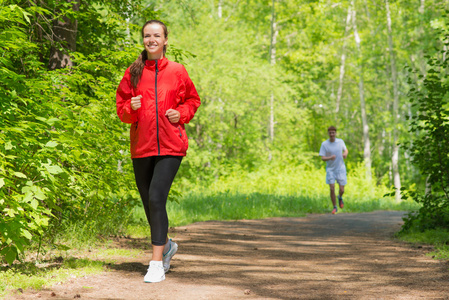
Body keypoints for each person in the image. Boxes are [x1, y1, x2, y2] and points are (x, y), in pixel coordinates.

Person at [116, 20, 200, 283]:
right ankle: (167, 245)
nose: (151, 39)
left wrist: (181, 113)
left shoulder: (177, 71)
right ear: (143, 40)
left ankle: (155, 263)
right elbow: (122, 111)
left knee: (156, 198)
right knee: (148, 204)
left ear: (165, 40)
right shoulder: (133, 72)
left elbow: (193, 100)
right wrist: (131, 105)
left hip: (171, 145)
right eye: (146, 35)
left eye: (156, 35)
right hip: (142, 146)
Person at [319, 126, 348, 214]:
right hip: (330, 169)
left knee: (342, 190)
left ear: (335, 133)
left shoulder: (340, 142)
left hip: (340, 169)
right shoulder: (324, 144)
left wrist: (345, 154)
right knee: (332, 188)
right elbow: (322, 158)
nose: (332, 134)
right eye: (330, 133)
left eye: (333, 133)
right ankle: (335, 207)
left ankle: (339, 197)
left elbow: (346, 150)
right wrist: (330, 158)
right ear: (328, 133)